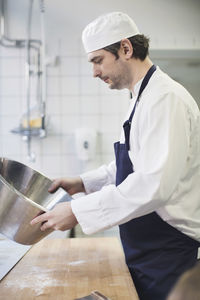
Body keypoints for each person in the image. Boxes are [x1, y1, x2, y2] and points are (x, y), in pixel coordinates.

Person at [30, 12, 200, 300]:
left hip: (168, 251)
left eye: (98, 60)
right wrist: (83, 182)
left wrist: (76, 211)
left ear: (125, 48)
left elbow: (152, 184)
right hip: (150, 248)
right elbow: (132, 164)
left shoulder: (164, 98)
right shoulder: (141, 97)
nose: (94, 72)